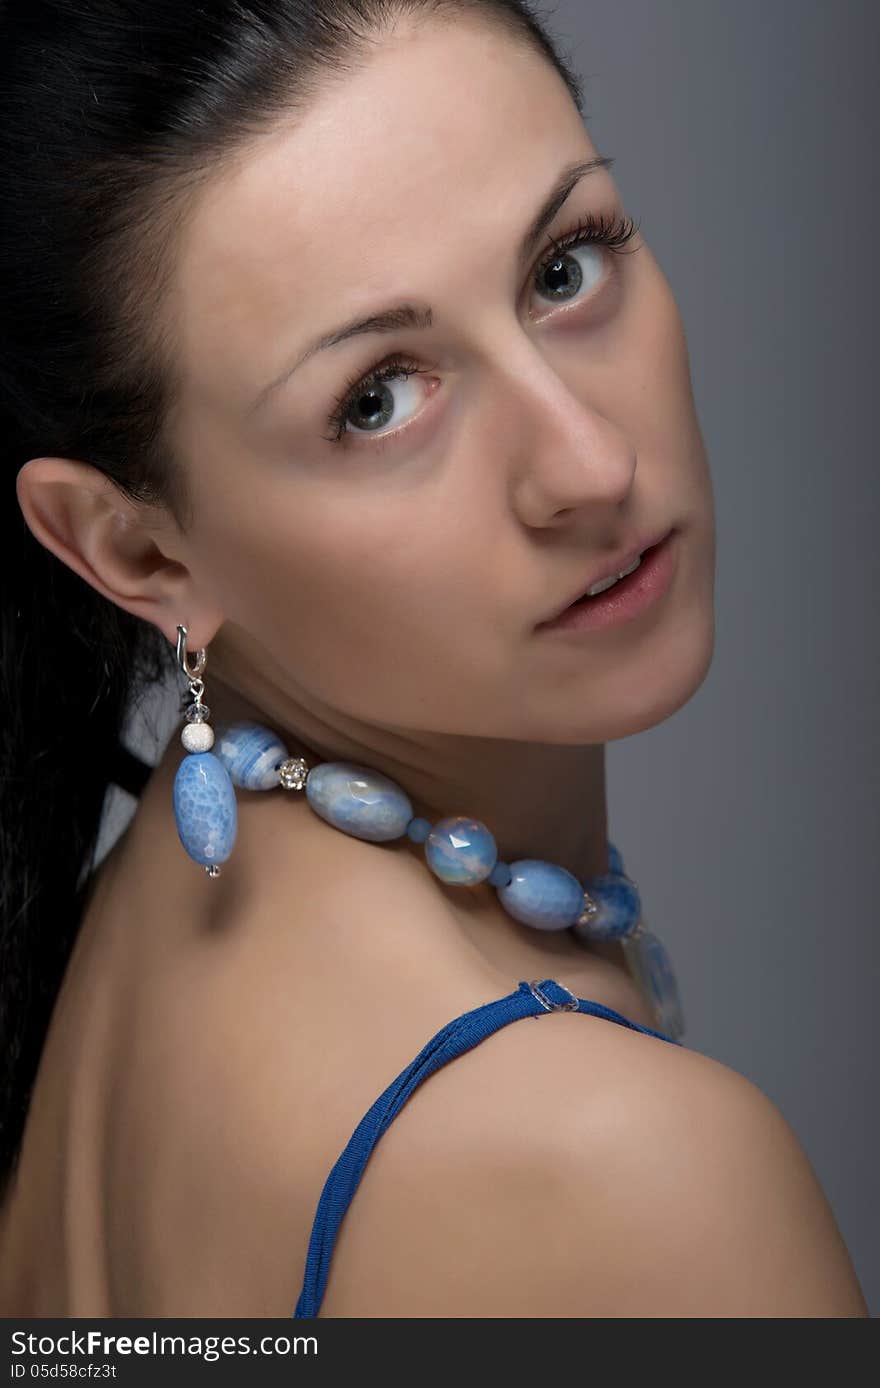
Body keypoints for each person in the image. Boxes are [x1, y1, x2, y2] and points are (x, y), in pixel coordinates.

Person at [0, 0, 868, 1318]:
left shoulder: (138, 943)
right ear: (137, 554)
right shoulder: (620, 1175)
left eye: (565, 268)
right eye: (378, 400)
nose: (590, 464)